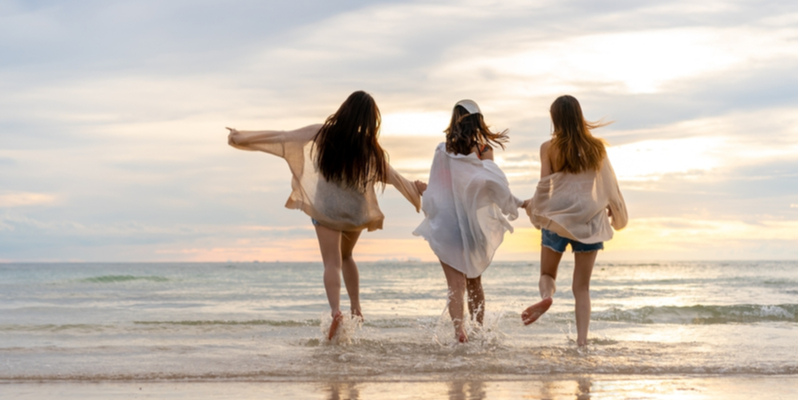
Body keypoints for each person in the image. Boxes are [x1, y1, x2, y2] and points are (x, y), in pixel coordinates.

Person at [227, 90, 422, 340]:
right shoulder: (368, 148)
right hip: (355, 212)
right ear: (371, 120)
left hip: (327, 209)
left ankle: (336, 311)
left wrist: (239, 137)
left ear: (344, 110)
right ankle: (356, 307)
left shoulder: (323, 132)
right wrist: (415, 190)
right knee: (348, 256)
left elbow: (282, 138)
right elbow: (393, 176)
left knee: (332, 262)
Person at [521, 94, 628, 347]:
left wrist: (533, 207)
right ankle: (582, 342)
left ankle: (547, 297)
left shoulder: (548, 148)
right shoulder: (597, 148)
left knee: (548, 273)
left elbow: (545, 187)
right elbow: (609, 185)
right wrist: (615, 210)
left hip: (557, 221)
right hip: (590, 223)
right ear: (579, 116)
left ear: (555, 119)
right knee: (582, 288)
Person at [413, 99, 523, 343]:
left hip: (448, 226)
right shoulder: (483, 151)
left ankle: (458, 332)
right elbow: (490, 185)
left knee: (455, 285)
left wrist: (424, 191)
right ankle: (477, 329)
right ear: (478, 121)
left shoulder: (442, 150)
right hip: (472, 227)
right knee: (474, 282)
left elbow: (439, 190)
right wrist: (516, 202)